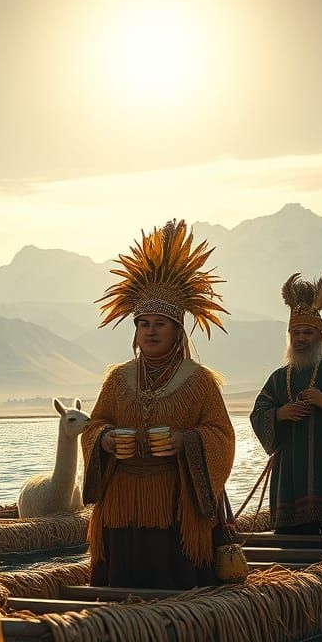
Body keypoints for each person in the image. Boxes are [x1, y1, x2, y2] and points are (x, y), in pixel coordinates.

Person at [81, 219, 235, 589]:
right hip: (122, 502)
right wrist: (104, 439)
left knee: (175, 582)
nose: (150, 330)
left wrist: (186, 441)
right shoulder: (118, 379)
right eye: (143, 323)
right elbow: (94, 424)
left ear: (177, 330)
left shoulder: (199, 380)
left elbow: (221, 435)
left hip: (176, 503)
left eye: (160, 323)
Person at [249, 272, 322, 535]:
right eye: (296, 333)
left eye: (307, 333)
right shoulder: (278, 378)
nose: (301, 338)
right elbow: (258, 413)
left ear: (320, 337)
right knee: (290, 535)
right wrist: (279, 414)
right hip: (289, 475)